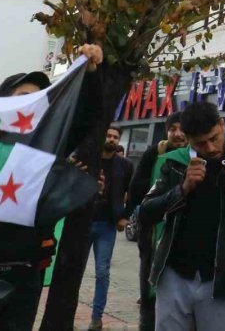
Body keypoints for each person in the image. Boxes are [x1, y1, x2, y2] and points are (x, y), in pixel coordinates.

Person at [0, 46, 104, 331]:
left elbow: (85, 116)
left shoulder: (47, 146)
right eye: (22, 98)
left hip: (22, 276)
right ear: (3, 105)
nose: (30, 105)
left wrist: (90, 74)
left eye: (37, 99)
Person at [140, 101, 225, 331]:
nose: (211, 148)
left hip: (223, 281)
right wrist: (182, 189)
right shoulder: (175, 163)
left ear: (222, 125)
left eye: (214, 138)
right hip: (174, 275)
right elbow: (145, 212)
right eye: (201, 144)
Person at [127, 112, 187, 331]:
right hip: (153, 233)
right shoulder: (155, 153)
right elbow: (135, 191)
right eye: (173, 129)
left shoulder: (197, 155)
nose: (178, 134)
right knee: (150, 284)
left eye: (183, 129)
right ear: (166, 131)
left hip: (183, 235)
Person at [87, 125, 134, 330]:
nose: (112, 139)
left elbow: (132, 192)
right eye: (108, 135)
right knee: (73, 271)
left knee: (102, 272)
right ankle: (66, 310)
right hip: (82, 223)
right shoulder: (89, 159)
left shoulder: (124, 165)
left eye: (115, 137)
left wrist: (125, 216)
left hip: (107, 225)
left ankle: (96, 318)